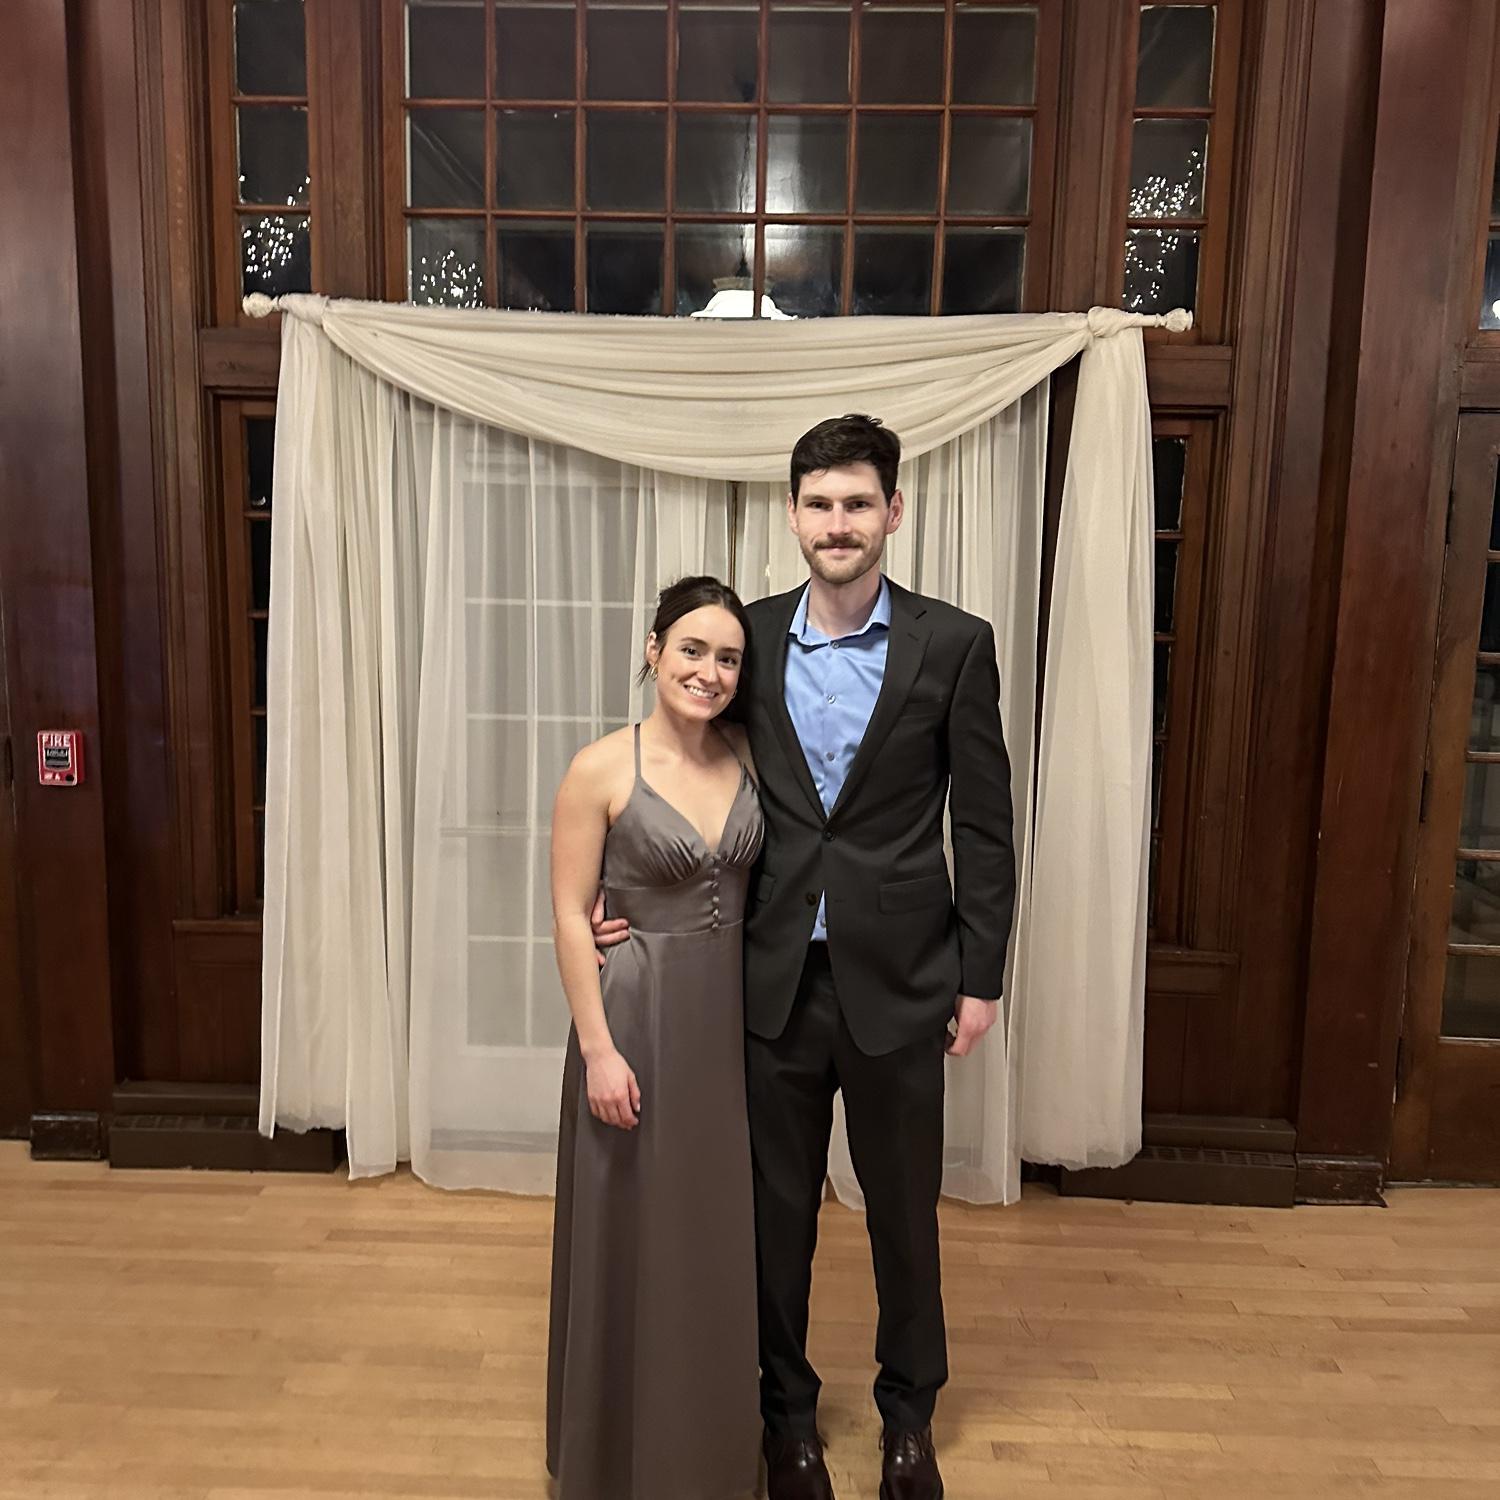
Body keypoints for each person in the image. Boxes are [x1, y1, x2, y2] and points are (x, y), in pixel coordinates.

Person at [595, 415, 1016, 1500]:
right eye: (820, 503)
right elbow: (680, 755)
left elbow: (982, 824)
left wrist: (981, 976)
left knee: (903, 1216)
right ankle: (786, 1421)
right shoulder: (749, 639)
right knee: (773, 1220)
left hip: (903, 980)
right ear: (792, 515)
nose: (839, 522)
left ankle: (909, 1418)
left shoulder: (955, 644)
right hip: (767, 977)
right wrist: (622, 883)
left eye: (858, 503)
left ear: (893, 512)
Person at [546, 576, 764, 1500]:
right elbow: (569, 915)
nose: (709, 673)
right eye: (692, 650)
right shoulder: (600, 768)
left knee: (712, 1232)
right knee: (631, 1228)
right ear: (653, 651)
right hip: (635, 1018)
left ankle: (709, 1449)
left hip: (729, 1023)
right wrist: (598, 1050)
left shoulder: (751, 753)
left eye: (728, 658)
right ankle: (615, 1456)